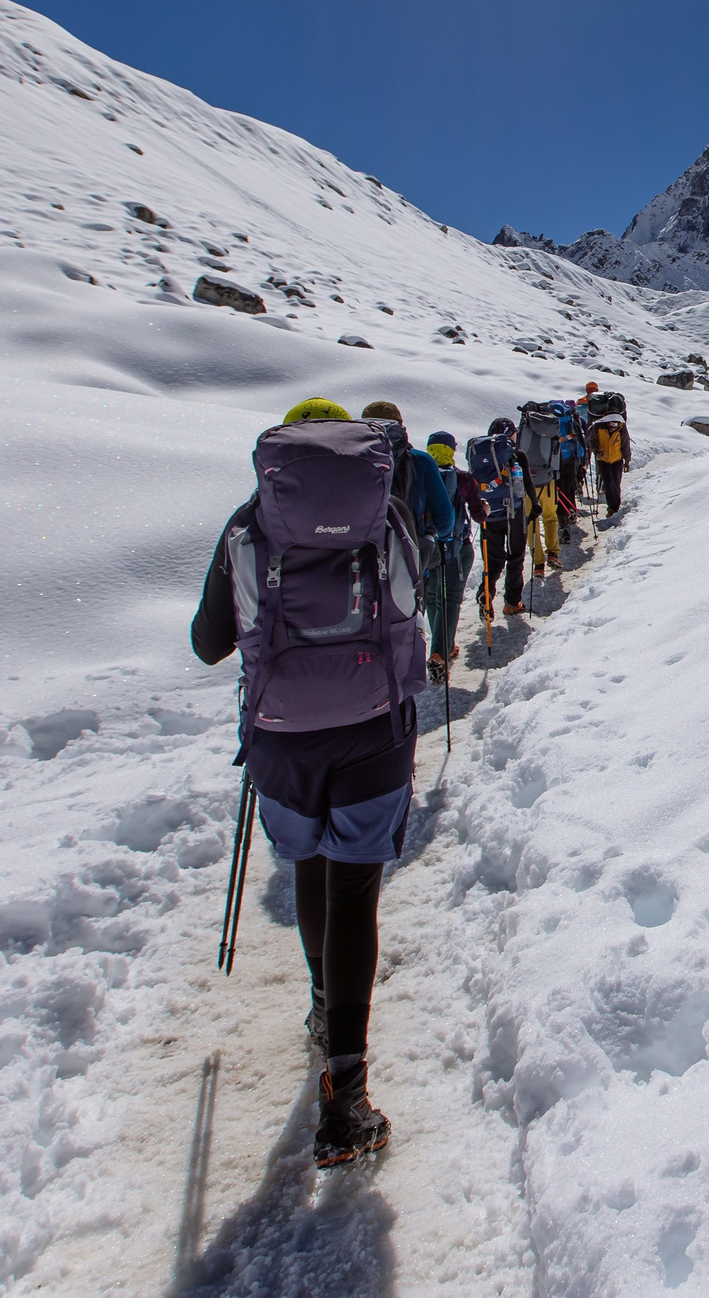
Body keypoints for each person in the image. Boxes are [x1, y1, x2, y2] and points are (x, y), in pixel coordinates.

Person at [190, 397, 418, 1170]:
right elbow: (410, 612)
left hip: (284, 738)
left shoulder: (249, 525)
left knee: (312, 873)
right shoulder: (384, 514)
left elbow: (207, 643)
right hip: (373, 728)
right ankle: (346, 1098)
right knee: (355, 890)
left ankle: (323, 1006)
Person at [359, 402, 458, 678]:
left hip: (354, 567)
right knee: (402, 632)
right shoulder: (419, 461)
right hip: (407, 563)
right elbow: (445, 518)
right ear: (400, 427)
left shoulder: (347, 461)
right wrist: (436, 537)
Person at [423, 431, 480, 674]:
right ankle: (440, 651)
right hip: (458, 549)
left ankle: (442, 646)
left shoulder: (420, 476)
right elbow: (479, 514)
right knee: (451, 600)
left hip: (428, 549)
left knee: (434, 598)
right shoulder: (464, 479)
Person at [472, 416, 525, 621]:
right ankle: (512, 603)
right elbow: (526, 485)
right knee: (515, 556)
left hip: (487, 512)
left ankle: (486, 593)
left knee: (492, 560)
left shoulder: (479, 454)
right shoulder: (516, 455)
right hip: (513, 512)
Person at [515, 403, 562, 579]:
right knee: (550, 516)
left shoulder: (526, 426)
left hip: (527, 482)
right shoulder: (551, 428)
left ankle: (538, 563)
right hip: (547, 479)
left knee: (530, 521)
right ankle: (553, 553)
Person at [591, 408, 631, 515]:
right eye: (612, 423)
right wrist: (597, 451)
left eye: (616, 423)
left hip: (617, 460)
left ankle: (615, 506)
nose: (614, 425)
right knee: (608, 484)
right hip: (604, 461)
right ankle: (612, 507)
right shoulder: (598, 428)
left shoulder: (622, 429)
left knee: (616, 483)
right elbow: (591, 441)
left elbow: (625, 444)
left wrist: (627, 460)